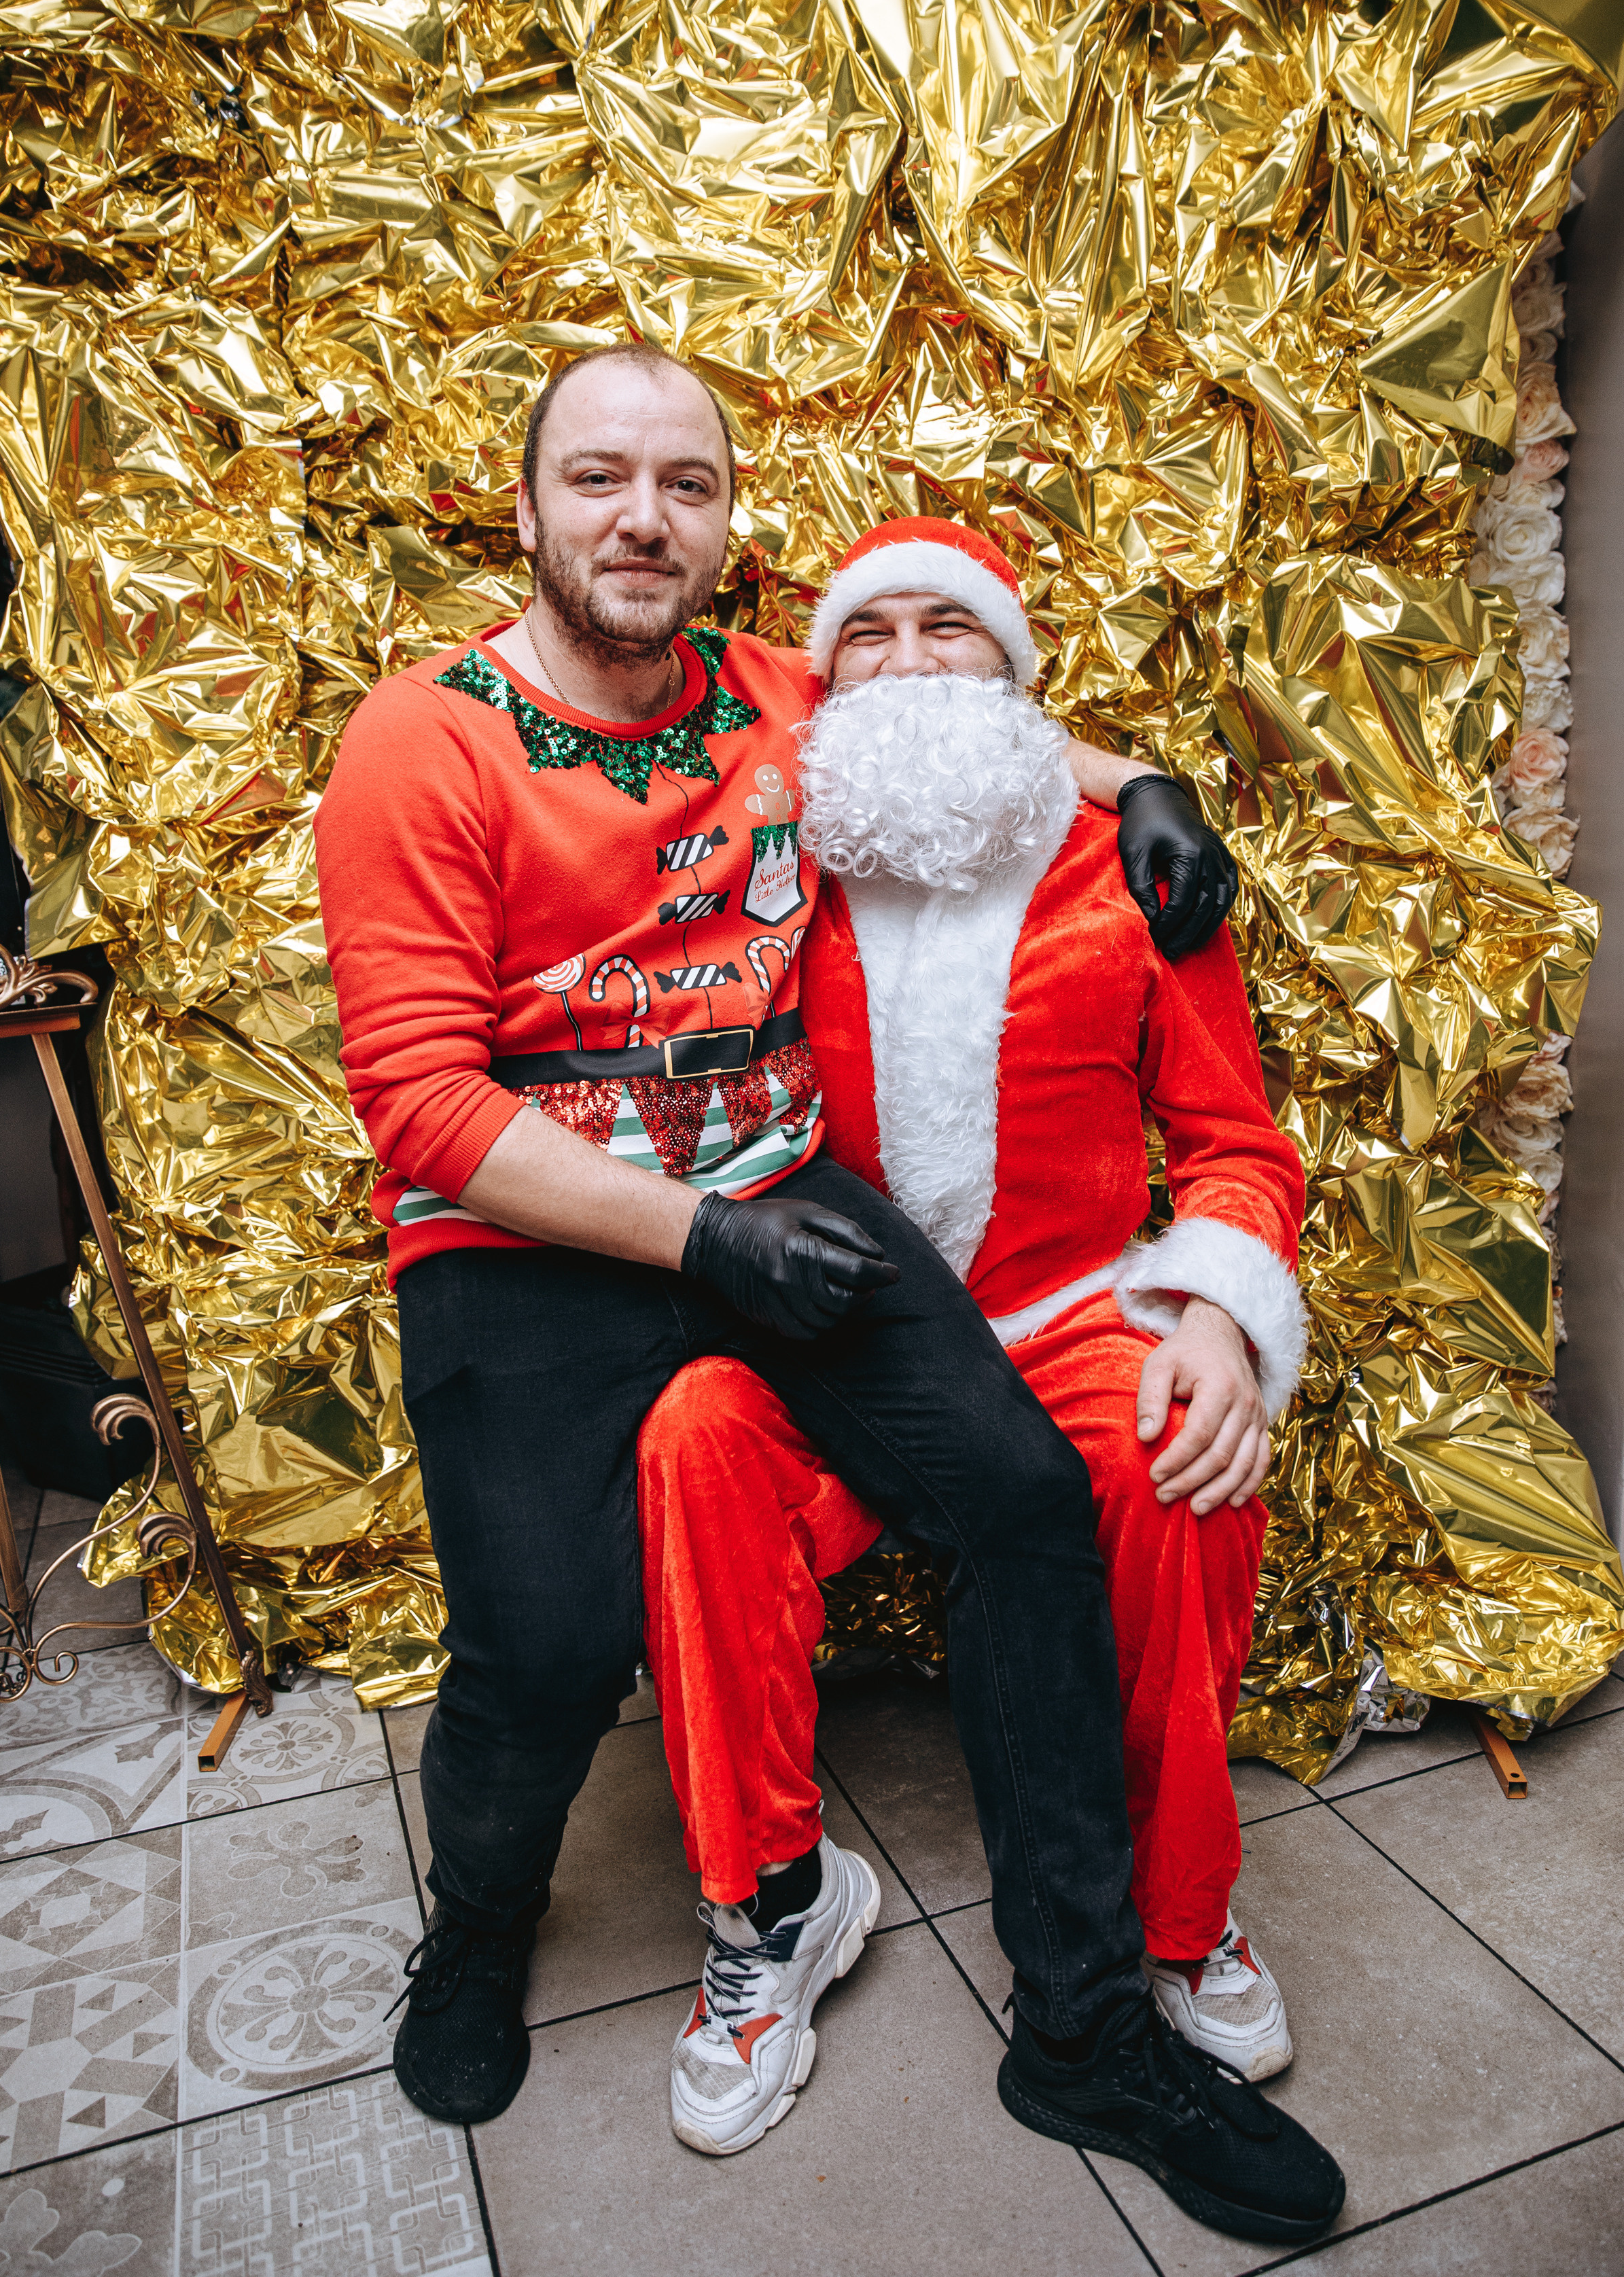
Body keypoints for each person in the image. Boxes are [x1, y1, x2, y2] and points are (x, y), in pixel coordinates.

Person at [313, 342, 1343, 2246]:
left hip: (786, 1209)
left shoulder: (775, 696)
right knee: (544, 1656)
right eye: (601, 479)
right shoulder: (421, 737)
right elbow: (427, 1106)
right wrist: (708, 1241)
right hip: (539, 1253)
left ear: (724, 527)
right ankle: (482, 1933)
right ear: (525, 504)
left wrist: (1160, 783)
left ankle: (1093, 2024)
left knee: (1037, 1504)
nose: (643, 518)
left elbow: (966, 712)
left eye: (685, 486)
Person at [637, 516, 1313, 2172]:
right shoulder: (760, 855)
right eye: (871, 636)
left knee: (1182, 1461)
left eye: (956, 631)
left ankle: (1176, 1920)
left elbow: (1235, 1142)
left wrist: (1221, 1312)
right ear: (821, 678)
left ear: (1015, 678)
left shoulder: (1136, 875)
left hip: (1072, 1304)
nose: (910, 663)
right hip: (844, 1330)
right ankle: (770, 1910)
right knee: (692, 1446)